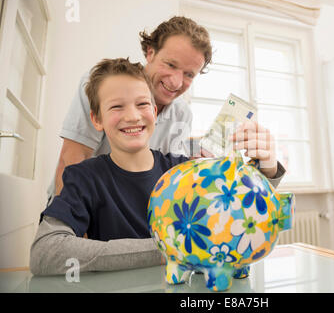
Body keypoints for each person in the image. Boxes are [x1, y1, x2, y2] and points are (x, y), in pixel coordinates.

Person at [29, 58, 282, 275]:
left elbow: (243, 211)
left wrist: (269, 168)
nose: (133, 116)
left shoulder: (184, 172)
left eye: (142, 104)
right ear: (97, 119)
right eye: (117, 106)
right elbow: (45, 252)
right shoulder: (84, 177)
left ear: (154, 111)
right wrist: (168, 250)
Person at [49, 15, 285, 204]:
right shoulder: (104, 84)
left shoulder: (182, 114)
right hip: (80, 208)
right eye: (170, 65)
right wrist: (73, 230)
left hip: (127, 217)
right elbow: (72, 159)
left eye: (189, 74)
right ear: (150, 52)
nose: (175, 82)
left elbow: (163, 175)